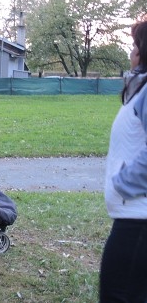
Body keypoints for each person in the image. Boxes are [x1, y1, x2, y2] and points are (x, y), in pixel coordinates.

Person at [100, 20, 147, 302]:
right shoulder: (140, 90)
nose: (131, 52)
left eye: (135, 46)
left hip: (139, 222)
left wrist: (124, 184)